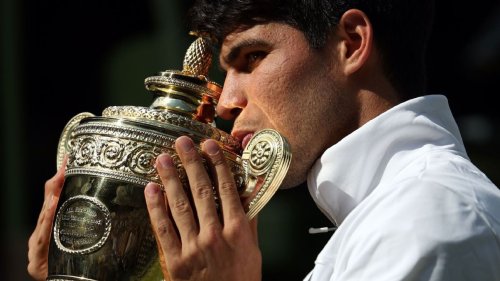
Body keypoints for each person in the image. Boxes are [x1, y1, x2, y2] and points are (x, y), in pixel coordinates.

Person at [28, 0, 500, 280]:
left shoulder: (428, 223)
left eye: (253, 57)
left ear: (352, 43)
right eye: (226, 71)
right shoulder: (383, 216)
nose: (228, 101)